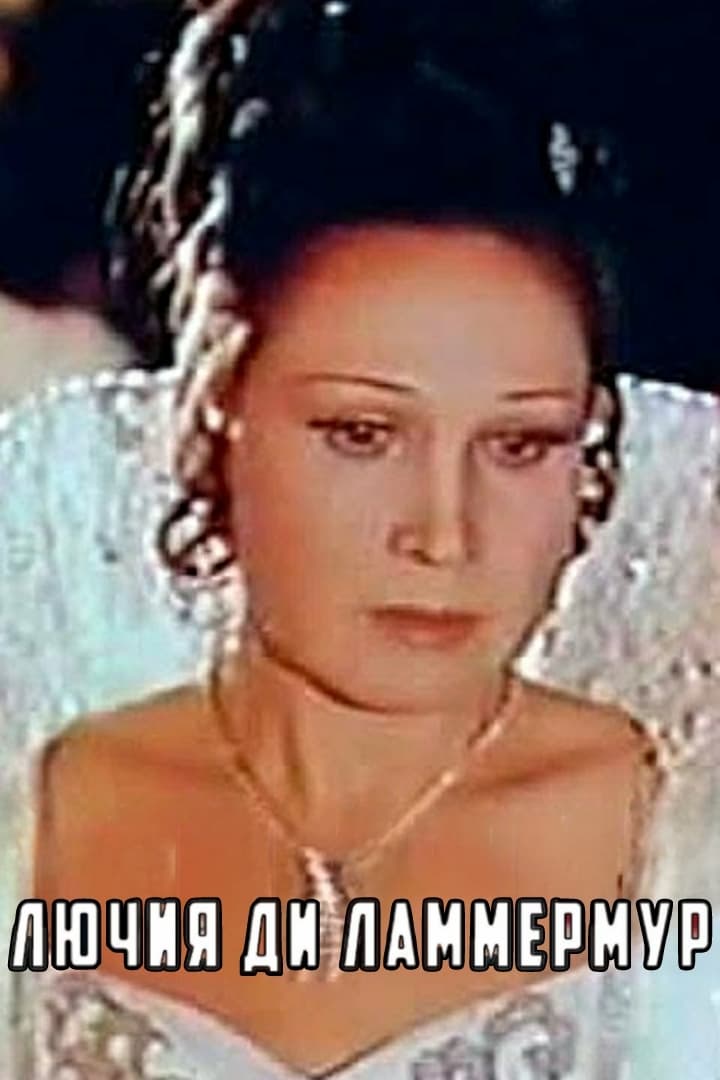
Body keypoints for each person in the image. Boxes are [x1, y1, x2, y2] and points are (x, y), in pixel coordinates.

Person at [2, 1, 720, 1076]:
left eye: (520, 445)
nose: (445, 534)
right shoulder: (38, 803)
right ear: (218, 410)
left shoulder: (684, 846)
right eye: (361, 434)